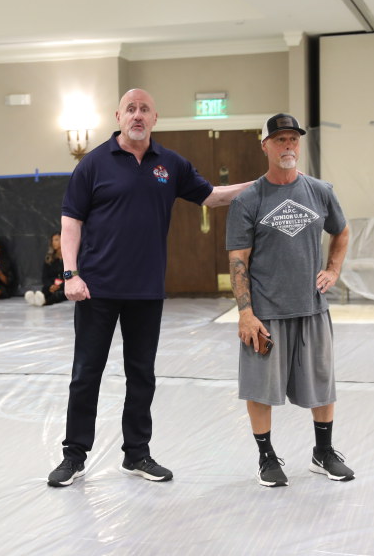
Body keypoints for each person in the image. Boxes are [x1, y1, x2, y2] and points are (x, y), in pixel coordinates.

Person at [47, 88, 254, 487]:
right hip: (96, 290)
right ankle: (74, 456)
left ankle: (137, 454)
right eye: (131, 109)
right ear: (118, 117)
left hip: (146, 291)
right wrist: (71, 275)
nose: (137, 115)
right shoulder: (93, 164)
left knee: (142, 375)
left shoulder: (170, 164)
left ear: (155, 118)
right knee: (86, 374)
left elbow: (212, 197)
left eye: (144, 109)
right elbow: (71, 221)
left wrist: (263, 184)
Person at [226, 113, 352, 488]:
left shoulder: (320, 191)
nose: (288, 146)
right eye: (280, 139)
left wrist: (333, 269)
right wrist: (245, 313)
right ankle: (266, 457)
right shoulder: (248, 200)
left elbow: (342, 232)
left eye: (293, 139)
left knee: (322, 384)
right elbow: (238, 260)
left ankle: (323, 453)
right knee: (260, 389)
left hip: (312, 308)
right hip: (265, 313)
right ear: (265, 145)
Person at [25, 233, 67, 307]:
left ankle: (44, 302)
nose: (53, 242)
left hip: (64, 285)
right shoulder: (49, 258)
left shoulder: (69, 257)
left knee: (59, 294)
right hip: (51, 285)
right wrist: (50, 285)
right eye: (52, 240)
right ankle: (34, 299)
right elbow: (45, 277)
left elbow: (74, 273)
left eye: (56, 240)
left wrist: (60, 286)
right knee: (45, 290)